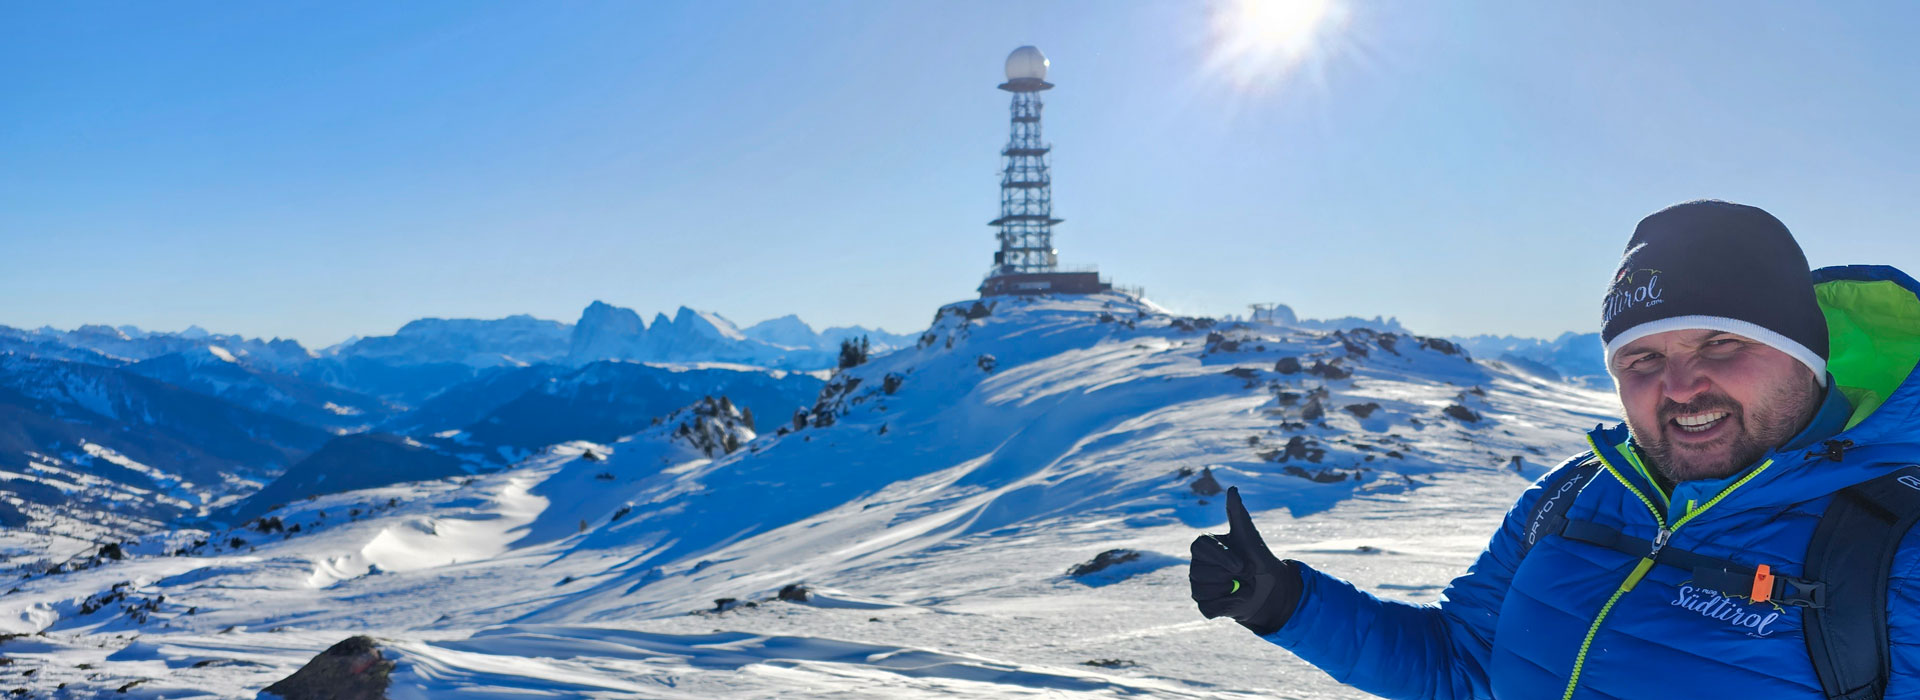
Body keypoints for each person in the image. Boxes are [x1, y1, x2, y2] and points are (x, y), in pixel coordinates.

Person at [1189, 200, 1920, 699]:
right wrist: (1288, 603)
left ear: (1809, 356)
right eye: (1641, 361)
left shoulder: (1899, 553)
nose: (1681, 386)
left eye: (1721, 342)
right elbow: (1461, 664)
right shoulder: (1575, 498)